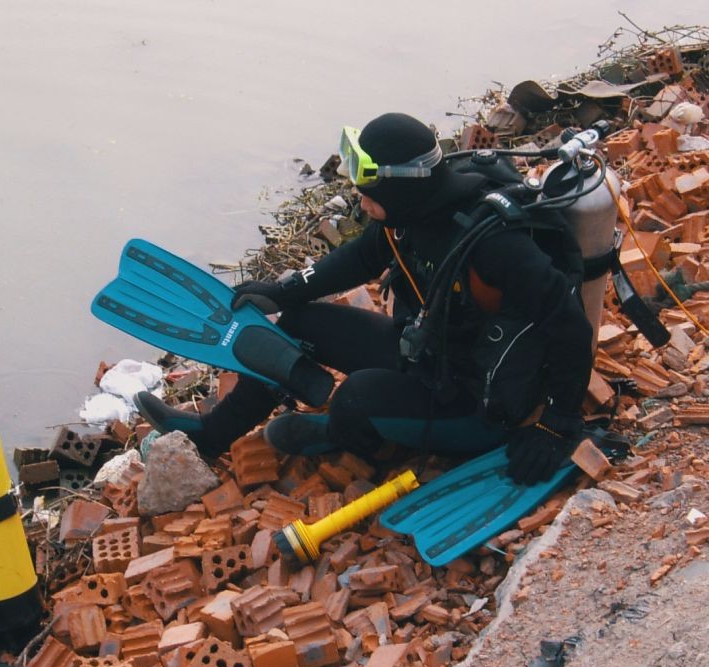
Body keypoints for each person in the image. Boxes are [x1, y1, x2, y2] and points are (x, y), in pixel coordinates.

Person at [136, 112, 593, 485]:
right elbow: (360, 257)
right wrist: (283, 291)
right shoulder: (409, 213)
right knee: (298, 322)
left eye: (367, 183)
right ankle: (209, 435)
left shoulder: (493, 245)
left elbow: (571, 325)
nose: (357, 193)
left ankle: (333, 432)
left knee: (356, 398)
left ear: (404, 183)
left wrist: (557, 424)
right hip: (431, 357)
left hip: (480, 404)